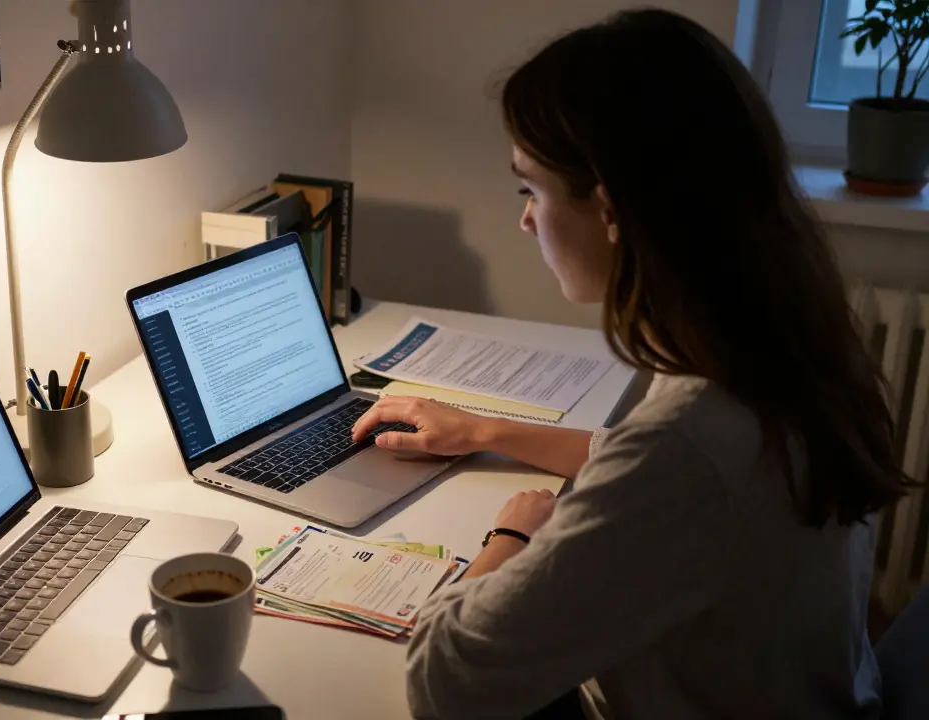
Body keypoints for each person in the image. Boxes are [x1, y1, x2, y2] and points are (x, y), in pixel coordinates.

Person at [349, 9, 911, 719]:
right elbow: (669, 467)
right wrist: (483, 430)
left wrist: (513, 537)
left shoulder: (687, 442)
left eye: (532, 189)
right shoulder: (792, 350)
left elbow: (446, 684)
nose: (526, 220)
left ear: (609, 208)